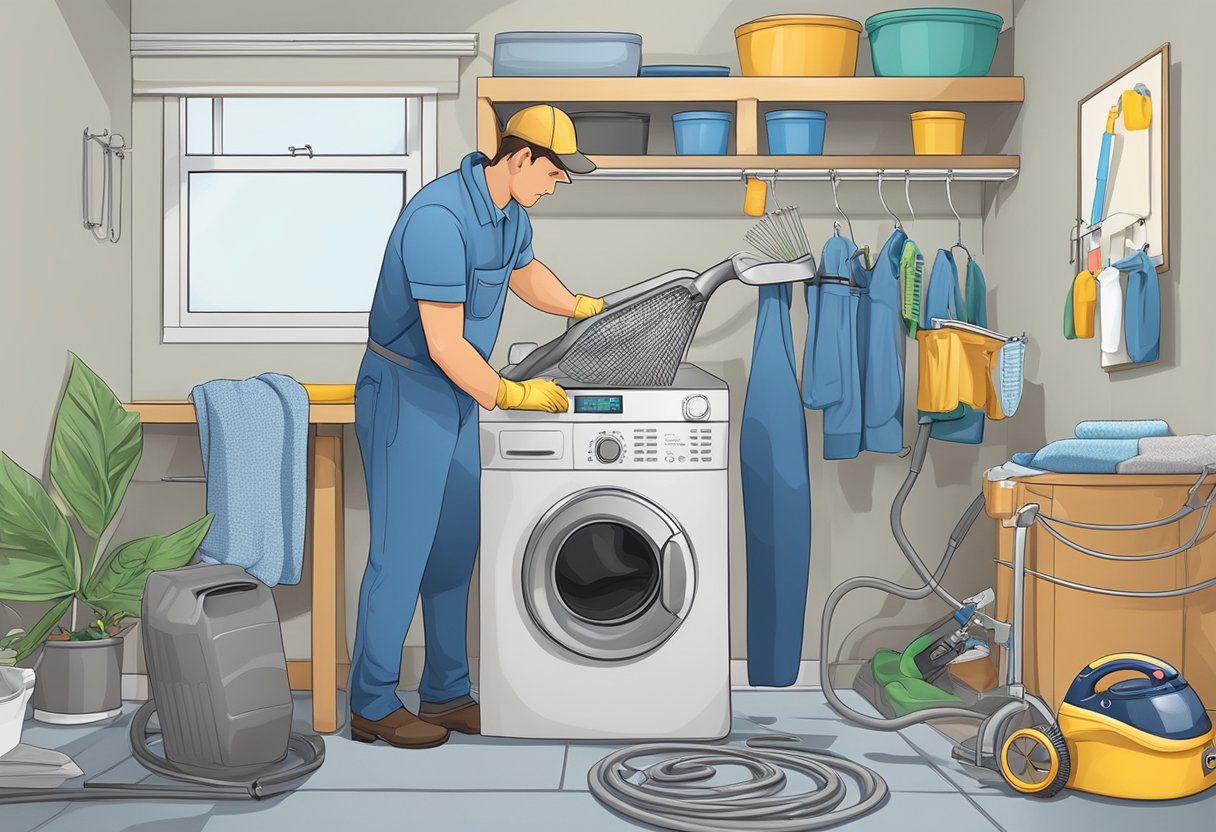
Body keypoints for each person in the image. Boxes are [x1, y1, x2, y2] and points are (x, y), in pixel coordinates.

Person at [349, 105, 605, 748]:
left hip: (462, 399)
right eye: (552, 173)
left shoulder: (509, 214)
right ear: (519, 158)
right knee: (401, 553)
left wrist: (578, 305)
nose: (555, 185)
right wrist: (513, 394)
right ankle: (373, 703)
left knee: (453, 549)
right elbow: (443, 343)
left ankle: (443, 693)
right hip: (407, 391)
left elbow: (523, 274)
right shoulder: (439, 219)